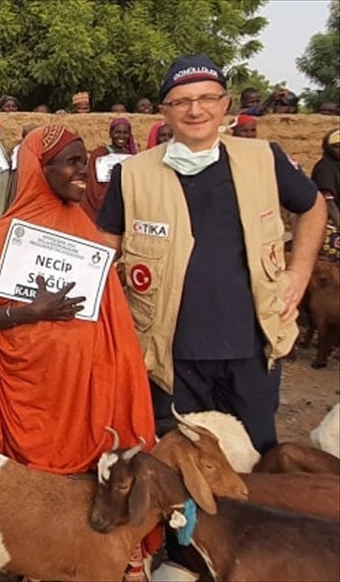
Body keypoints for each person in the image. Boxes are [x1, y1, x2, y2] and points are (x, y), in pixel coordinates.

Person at [0, 124, 157, 580]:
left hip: (83, 396)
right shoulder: (5, 236)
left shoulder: (86, 230)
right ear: (39, 171)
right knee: (29, 498)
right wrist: (29, 312)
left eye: (84, 160)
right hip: (25, 398)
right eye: (71, 161)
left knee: (82, 496)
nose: (83, 169)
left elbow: (111, 321)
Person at [97, 55, 326, 454]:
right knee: (178, 463)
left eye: (207, 98)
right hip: (168, 357)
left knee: (254, 460)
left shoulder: (264, 159)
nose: (195, 110)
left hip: (251, 348)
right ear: (164, 111)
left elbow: (312, 207)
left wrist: (299, 272)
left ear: (225, 105)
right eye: (182, 101)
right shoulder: (132, 175)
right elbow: (103, 248)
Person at [82, 117, 137, 221]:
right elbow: (93, 182)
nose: (121, 136)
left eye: (125, 133)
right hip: (101, 204)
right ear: (110, 134)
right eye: (117, 132)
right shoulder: (99, 154)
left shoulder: (131, 157)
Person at [311, 129, 340, 264]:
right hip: (329, 225)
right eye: (337, 147)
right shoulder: (325, 168)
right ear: (328, 148)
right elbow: (329, 204)